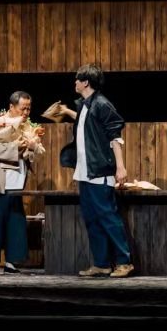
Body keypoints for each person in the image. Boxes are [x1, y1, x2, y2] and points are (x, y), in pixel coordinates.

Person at [57, 64, 133, 278]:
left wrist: (120, 167)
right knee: (92, 219)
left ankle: (124, 262)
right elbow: (86, 122)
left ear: (85, 82)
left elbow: (115, 135)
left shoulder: (101, 103)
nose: (75, 82)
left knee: (108, 217)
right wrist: (67, 112)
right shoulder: (86, 105)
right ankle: (101, 264)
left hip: (100, 171)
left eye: (77, 79)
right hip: (85, 172)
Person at [0, 91, 45, 275]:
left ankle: (10, 263)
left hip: (16, 183)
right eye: (23, 108)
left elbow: (31, 152)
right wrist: (17, 146)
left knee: (15, 223)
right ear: (12, 107)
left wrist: (32, 146)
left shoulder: (26, 125)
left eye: (29, 109)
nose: (26, 112)